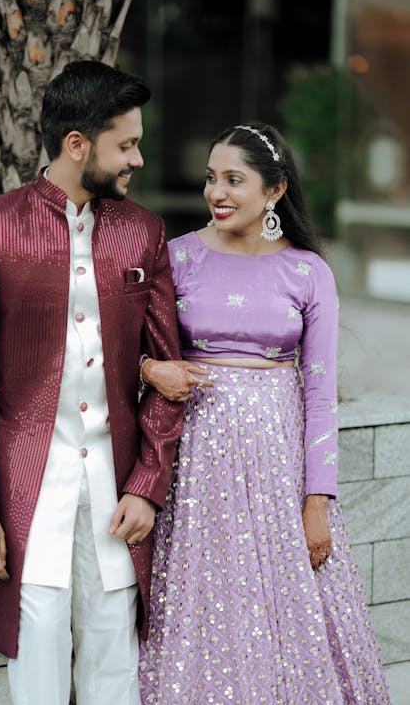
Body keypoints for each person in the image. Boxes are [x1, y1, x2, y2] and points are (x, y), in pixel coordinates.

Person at [0, 60, 184, 705]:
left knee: (114, 660)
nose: (138, 156)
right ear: (78, 145)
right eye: (125, 143)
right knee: (38, 661)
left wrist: (148, 485)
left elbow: (168, 376)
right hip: (28, 493)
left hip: (115, 493)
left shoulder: (145, 232)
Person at [138, 123, 390, 704]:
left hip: (278, 478)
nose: (216, 193)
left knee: (283, 614)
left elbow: (320, 395)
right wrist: (150, 371)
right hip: (194, 476)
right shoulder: (176, 259)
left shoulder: (307, 272)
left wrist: (317, 502)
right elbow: (131, 352)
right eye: (210, 179)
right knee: (207, 611)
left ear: (273, 191)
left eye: (234, 180)